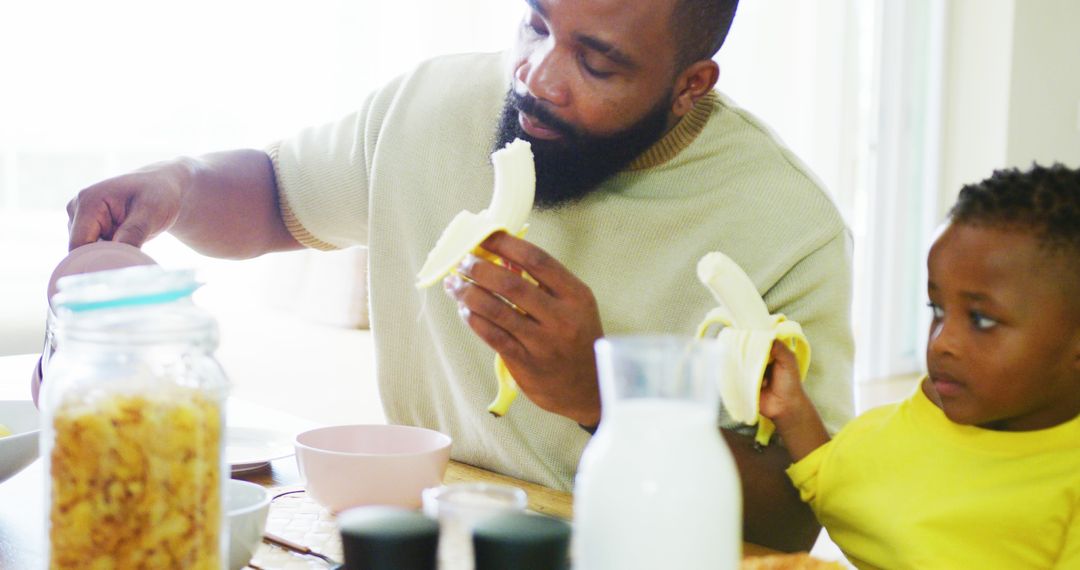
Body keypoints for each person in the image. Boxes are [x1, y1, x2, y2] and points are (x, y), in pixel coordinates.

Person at [64, 0, 854, 551]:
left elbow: (788, 523)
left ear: (691, 86)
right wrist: (179, 183)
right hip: (428, 529)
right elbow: (276, 196)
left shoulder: (788, 227)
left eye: (598, 61)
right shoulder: (435, 103)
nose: (538, 76)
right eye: (537, 23)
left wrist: (597, 397)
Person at [759, 163, 1080, 567]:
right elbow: (844, 490)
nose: (941, 342)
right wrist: (791, 410)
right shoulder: (928, 412)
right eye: (938, 309)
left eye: (982, 320)